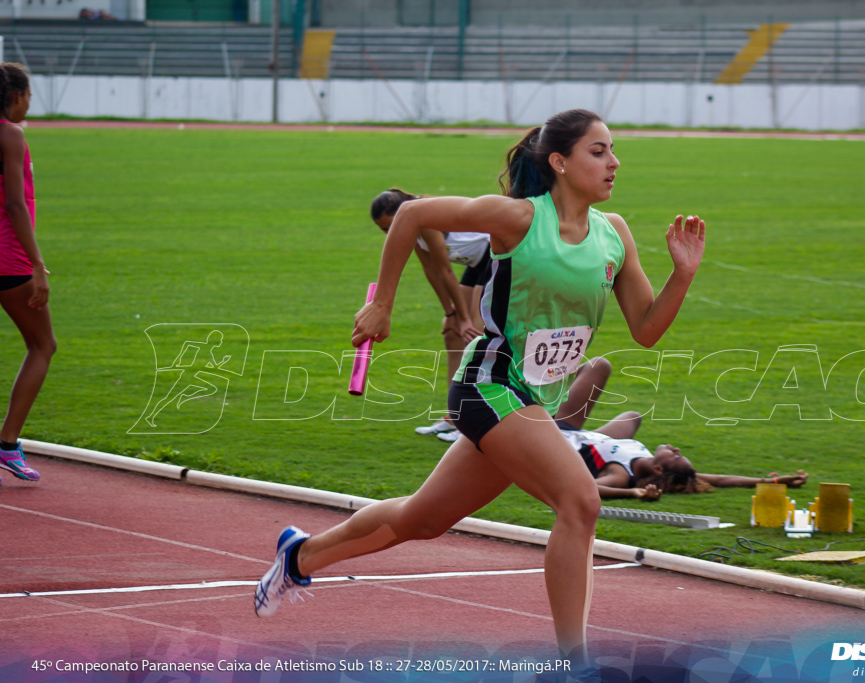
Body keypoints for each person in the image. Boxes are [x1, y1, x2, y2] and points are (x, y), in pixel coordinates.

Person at [254, 109, 706, 669]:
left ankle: (300, 555)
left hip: (527, 397)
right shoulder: (517, 218)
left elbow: (646, 330)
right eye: (599, 151)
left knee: (423, 519)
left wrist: (682, 275)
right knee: (580, 500)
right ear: (560, 162)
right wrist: (382, 303)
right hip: (486, 384)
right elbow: (414, 213)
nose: (614, 162)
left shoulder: (614, 235)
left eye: (613, 151)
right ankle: (575, 664)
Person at [554, 359, 807, 500]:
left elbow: (589, 490)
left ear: (658, 468)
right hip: (591, 438)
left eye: (675, 455)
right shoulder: (645, 460)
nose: (675, 448)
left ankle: (540, 383)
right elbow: (720, 480)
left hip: (556, 432)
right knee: (633, 416)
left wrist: (633, 493)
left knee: (600, 366)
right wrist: (772, 481)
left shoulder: (620, 474)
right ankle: (550, 384)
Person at [370, 189, 488, 442]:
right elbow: (430, 270)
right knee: (453, 335)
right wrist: (451, 313)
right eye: (384, 230)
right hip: (476, 264)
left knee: (475, 338)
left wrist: (465, 317)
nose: (391, 234)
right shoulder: (409, 227)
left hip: (495, 256)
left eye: (391, 226)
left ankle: (474, 422)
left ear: (403, 212)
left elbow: (445, 270)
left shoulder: (424, 218)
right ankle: (454, 416)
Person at [0, 63, 50, 485]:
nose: (30, 103)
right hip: (8, 259)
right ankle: (7, 443)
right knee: (42, 345)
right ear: (15, 96)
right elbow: (16, 205)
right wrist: (37, 266)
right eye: (28, 95)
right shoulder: (10, 134)